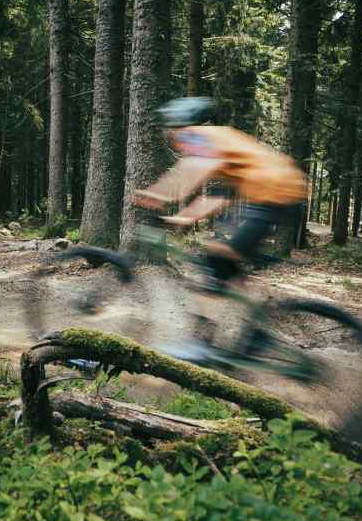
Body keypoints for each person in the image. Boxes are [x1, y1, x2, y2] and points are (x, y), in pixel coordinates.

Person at [131, 97, 307, 357]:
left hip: (274, 196)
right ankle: (256, 331)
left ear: (181, 126)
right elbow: (218, 197)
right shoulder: (224, 146)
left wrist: (158, 195)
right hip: (279, 195)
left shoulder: (201, 136)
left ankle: (202, 344)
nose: (173, 139)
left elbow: (190, 172)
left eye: (172, 132)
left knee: (215, 259)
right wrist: (183, 217)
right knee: (224, 263)